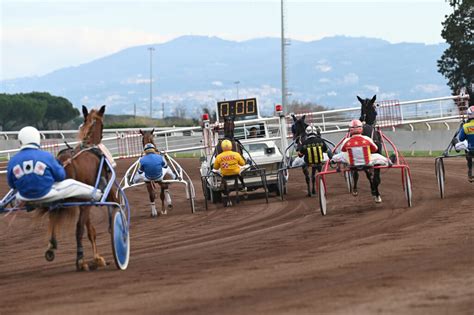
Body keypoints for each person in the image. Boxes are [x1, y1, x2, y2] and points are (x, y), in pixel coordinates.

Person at [7, 126, 102, 203]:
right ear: (37, 139)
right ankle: (98, 195)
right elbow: (61, 176)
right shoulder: (46, 156)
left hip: (24, 197)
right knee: (72, 184)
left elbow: (12, 184)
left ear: (21, 141)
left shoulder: (12, 161)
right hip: (46, 194)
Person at [458, 105, 474, 181]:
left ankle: (470, 170)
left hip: (471, 151)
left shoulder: (465, 126)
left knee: (466, 148)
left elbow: (461, 139)